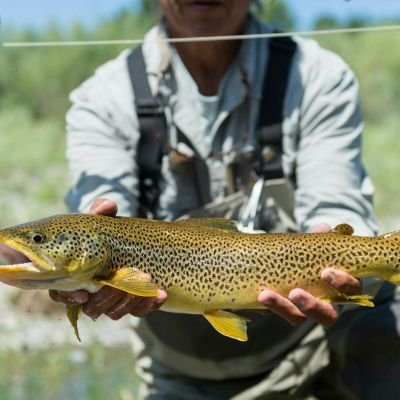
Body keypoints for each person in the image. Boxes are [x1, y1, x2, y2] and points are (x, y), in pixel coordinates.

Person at [3, 1, 399, 398]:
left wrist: (342, 256)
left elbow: (338, 200)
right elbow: (100, 204)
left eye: (38, 240)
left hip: (322, 343)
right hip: (180, 371)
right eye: (40, 241)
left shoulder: (316, 75)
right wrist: (82, 275)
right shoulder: (102, 97)